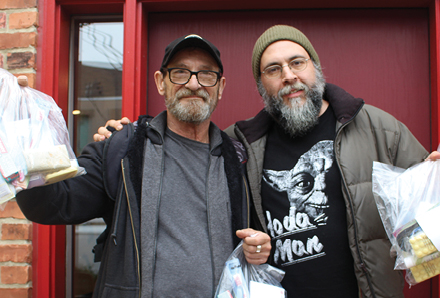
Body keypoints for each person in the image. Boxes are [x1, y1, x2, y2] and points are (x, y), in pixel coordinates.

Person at [98, 25, 440, 298]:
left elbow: (430, 207)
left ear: (315, 69)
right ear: (262, 84)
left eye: (297, 62)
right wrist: (125, 137)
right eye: (273, 69)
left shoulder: (377, 128)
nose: (288, 75)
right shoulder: (236, 146)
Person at [15, 34, 271, 298]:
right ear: (160, 82)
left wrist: (259, 246)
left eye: (206, 75)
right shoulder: (123, 149)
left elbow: (256, 235)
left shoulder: (238, 158)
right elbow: (52, 204)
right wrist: (23, 125)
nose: (194, 84)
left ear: (220, 86)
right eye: (180, 73)